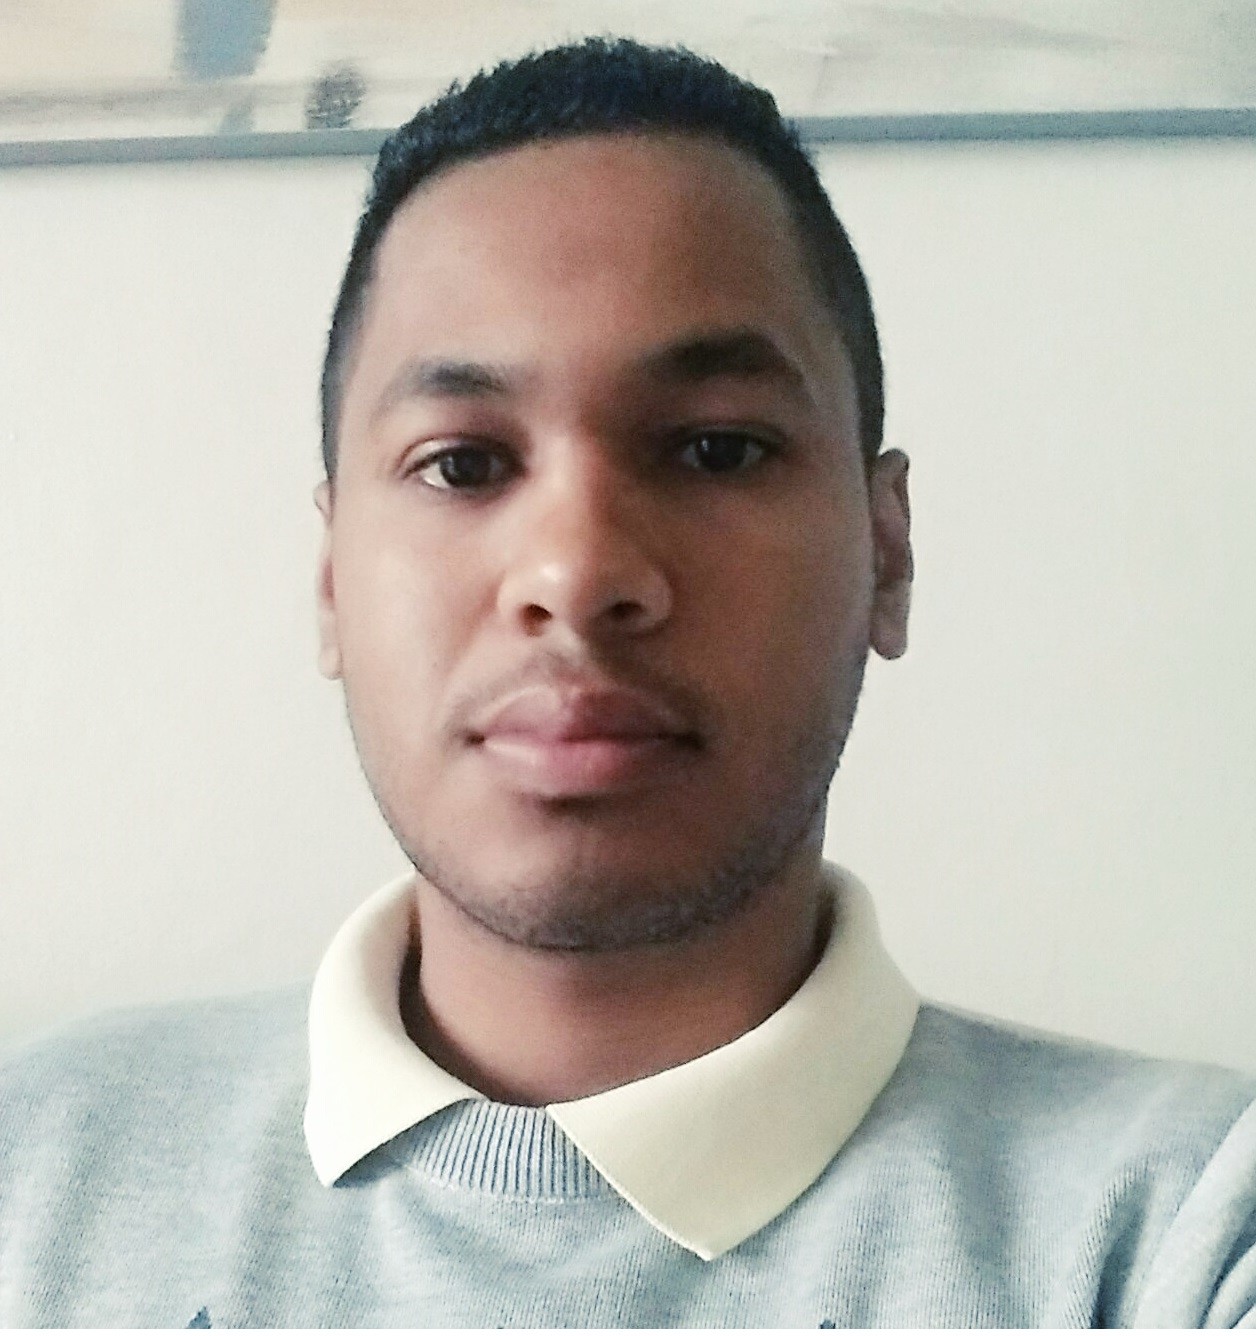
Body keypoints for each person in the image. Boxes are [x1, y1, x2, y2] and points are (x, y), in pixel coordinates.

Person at [1, 36, 1254, 1329]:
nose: (579, 571)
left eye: (716, 450)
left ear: (886, 553)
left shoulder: (1186, 1230)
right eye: (462, 464)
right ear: (331, 582)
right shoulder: (34, 1182)